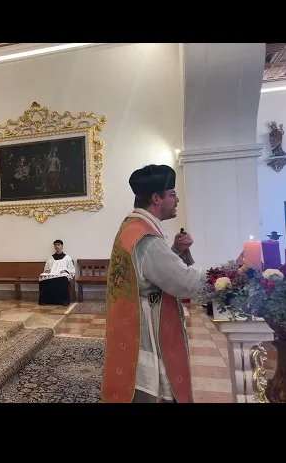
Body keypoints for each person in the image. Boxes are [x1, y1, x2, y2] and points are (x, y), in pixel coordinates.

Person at [101, 164, 214, 403]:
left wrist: (177, 250)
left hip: (130, 320)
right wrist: (226, 278)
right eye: (172, 194)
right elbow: (182, 281)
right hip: (145, 326)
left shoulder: (132, 227)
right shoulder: (146, 238)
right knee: (147, 391)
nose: (177, 199)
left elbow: (150, 271)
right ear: (155, 198)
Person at [39, 239, 75, 306]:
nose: (57, 246)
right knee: (43, 279)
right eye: (55, 245)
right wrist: (47, 271)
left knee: (63, 279)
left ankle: (64, 301)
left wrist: (66, 271)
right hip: (52, 275)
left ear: (62, 246)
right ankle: (45, 300)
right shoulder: (50, 258)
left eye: (58, 245)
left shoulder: (67, 258)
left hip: (62, 275)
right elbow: (46, 269)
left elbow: (72, 269)